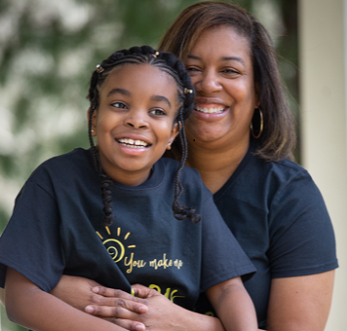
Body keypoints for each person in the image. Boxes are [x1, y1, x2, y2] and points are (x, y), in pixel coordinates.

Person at [45, 2, 338, 331]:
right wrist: (67, 290)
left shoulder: (290, 195)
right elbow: (17, 274)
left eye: (230, 71)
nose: (208, 85)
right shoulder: (121, 167)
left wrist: (182, 324)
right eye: (192, 69)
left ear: (258, 92)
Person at [0, 46, 258, 331]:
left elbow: (227, 290)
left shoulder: (187, 188)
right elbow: (21, 298)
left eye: (157, 111)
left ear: (173, 132)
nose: (137, 120)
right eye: (120, 105)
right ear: (93, 118)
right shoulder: (55, 181)